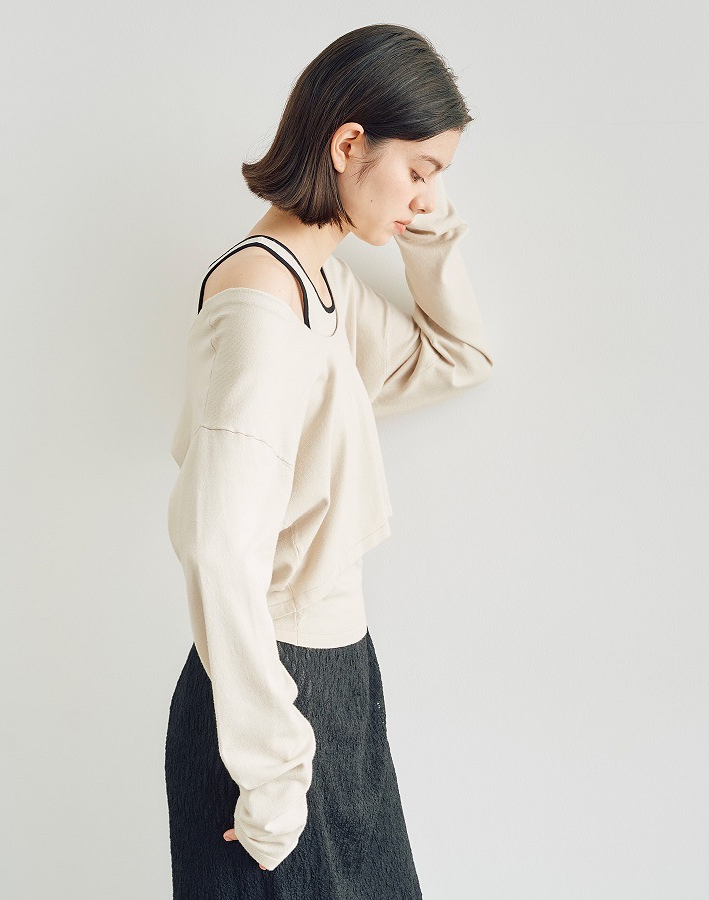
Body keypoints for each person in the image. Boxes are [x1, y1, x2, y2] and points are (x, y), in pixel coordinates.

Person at [164, 23, 494, 900]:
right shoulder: (261, 310)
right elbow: (218, 550)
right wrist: (273, 775)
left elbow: (458, 358)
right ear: (349, 145)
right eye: (419, 171)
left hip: (339, 677)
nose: (425, 198)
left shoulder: (323, 286)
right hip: (275, 701)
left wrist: (424, 230)